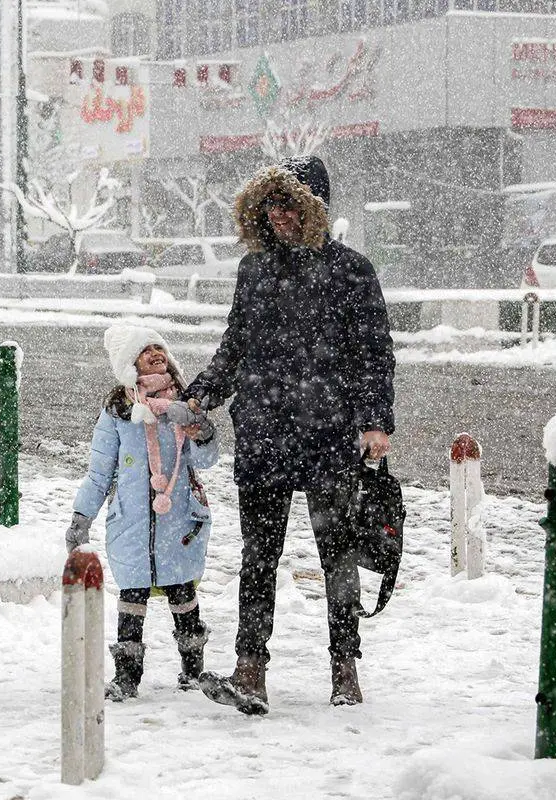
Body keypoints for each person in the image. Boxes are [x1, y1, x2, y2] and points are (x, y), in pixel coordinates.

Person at [185, 156, 396, 715]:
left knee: (337, 556)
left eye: (289, 205)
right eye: (269, 206)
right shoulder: (254, 271)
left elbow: (374, 354)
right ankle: (250, 668)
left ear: (313, 210)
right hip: (264, 433)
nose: (278, 215)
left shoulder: (352, 271)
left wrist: (375, 421)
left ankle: (344, 667)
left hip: (329, 434)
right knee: (258, 556)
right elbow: (235, 346)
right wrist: (203, 393)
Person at [67, 325, 219, 701]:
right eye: (145, 350)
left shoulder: (184, 403)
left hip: (178, 517)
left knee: (182, 592)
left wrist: (200, 431)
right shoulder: (118, 411)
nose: (156, 354)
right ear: (128, 363)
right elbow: (100, 471)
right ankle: (128, 676)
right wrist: (82, 515)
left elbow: (205, 459)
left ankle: (192, 669)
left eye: (159, 347)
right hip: (132, 522)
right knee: (132, 597)